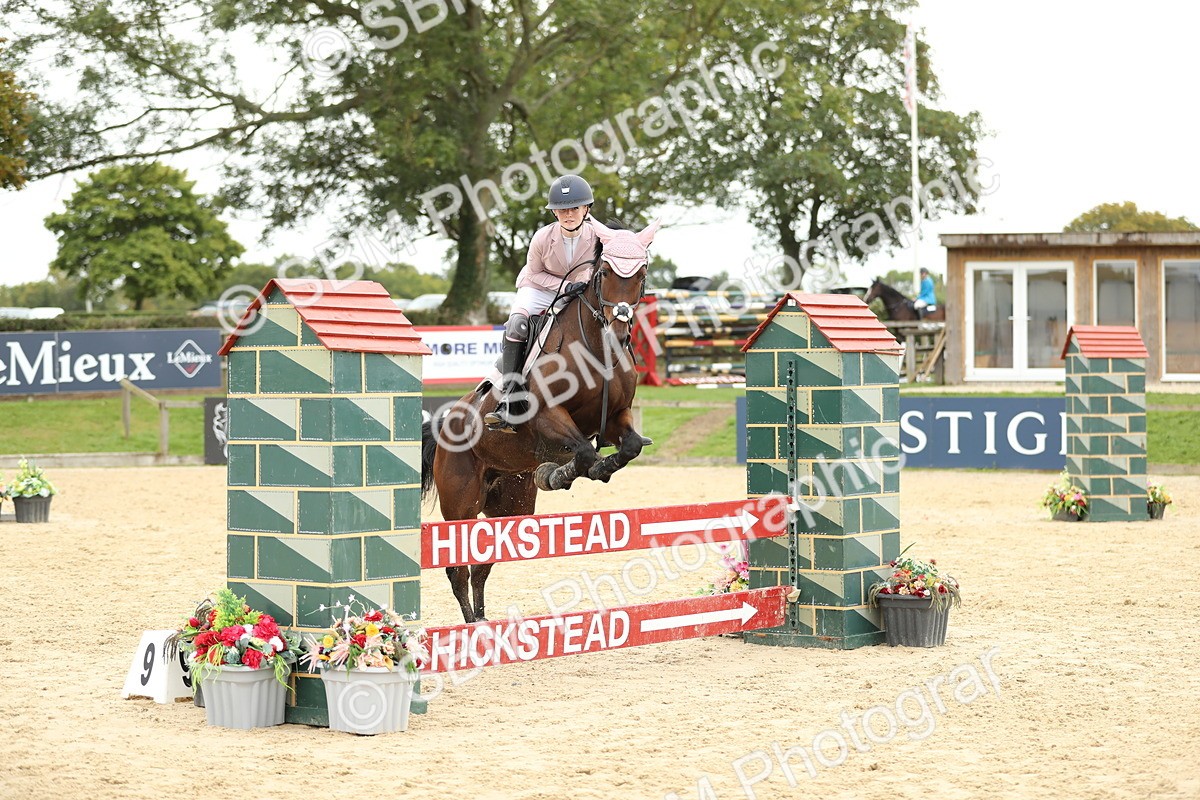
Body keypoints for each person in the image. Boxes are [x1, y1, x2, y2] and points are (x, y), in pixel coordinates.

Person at [483, 174, 599, 433]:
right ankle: (510, 398)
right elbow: (534, 274)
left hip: (577, 290)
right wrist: (564, 286)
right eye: (562, 210)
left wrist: (576, 286)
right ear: (555, 213)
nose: (568, 214)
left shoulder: (597, 237)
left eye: (574, 208)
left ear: (586, 209)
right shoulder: (542, 238)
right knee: (516, 326)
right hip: (539, 288)